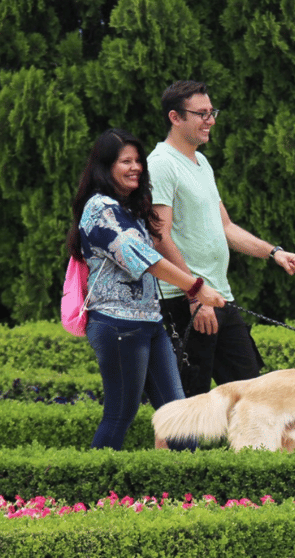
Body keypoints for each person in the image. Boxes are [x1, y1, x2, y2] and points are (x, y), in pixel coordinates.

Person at [66, 127, 226, 450]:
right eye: (126, 161)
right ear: (105, 166)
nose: (136, 167)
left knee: (178, 414)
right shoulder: (99, 209)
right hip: (117, 325)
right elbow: (140, 257)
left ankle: (191, 495)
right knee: (119, 415)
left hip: (150, 324)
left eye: (138, 161)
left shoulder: (129, 208)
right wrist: (196, 288)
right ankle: (92, 495)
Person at [148, 80, 295, 397]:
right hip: (185, 301)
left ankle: (251, 449)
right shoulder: (161, 163)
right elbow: (159, 236)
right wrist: (194, 293)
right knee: (187, 408)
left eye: (212, 112)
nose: (211, 120)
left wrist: (274, 253)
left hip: (218, 298)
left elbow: (226, 227)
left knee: (252, 395)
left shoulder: (201, 162)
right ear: (175, 117)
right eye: (202, 113)